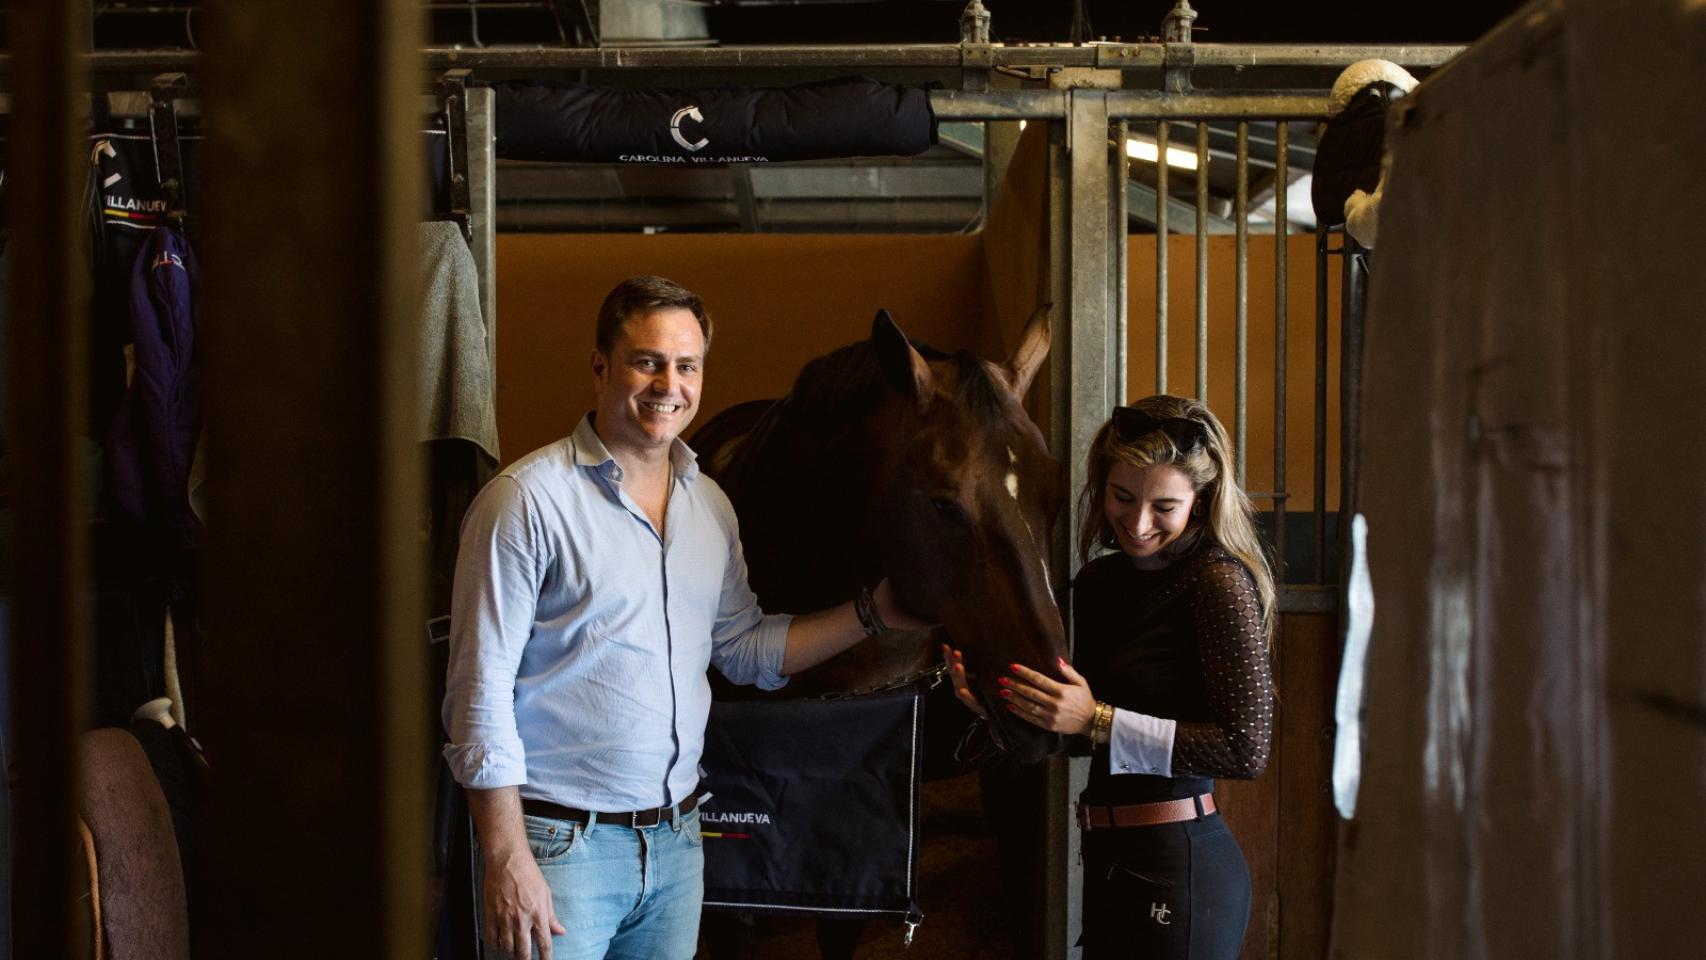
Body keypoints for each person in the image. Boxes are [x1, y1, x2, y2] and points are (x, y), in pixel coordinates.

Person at [442, 275, 921, 960]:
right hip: (558, 848)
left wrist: (875, 613)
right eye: (648, 361)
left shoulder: (710, 508)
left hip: (676, 846)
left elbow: (746, 649)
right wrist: (506, 857)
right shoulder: (525, 502)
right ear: (601, 366)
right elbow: (476, 697)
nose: (670, 383)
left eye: (687, 365)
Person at [946, 394, 1275, 960]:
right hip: (1107, 856)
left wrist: (1098, 719)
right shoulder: (1100, 583)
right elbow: (1074, 737)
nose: (1139, 523)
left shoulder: (1219, 583)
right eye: (1123, 497)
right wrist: (1002, 708)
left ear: (1201, 502)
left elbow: (1246, 749)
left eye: (1164, 507)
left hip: (1181, 861)